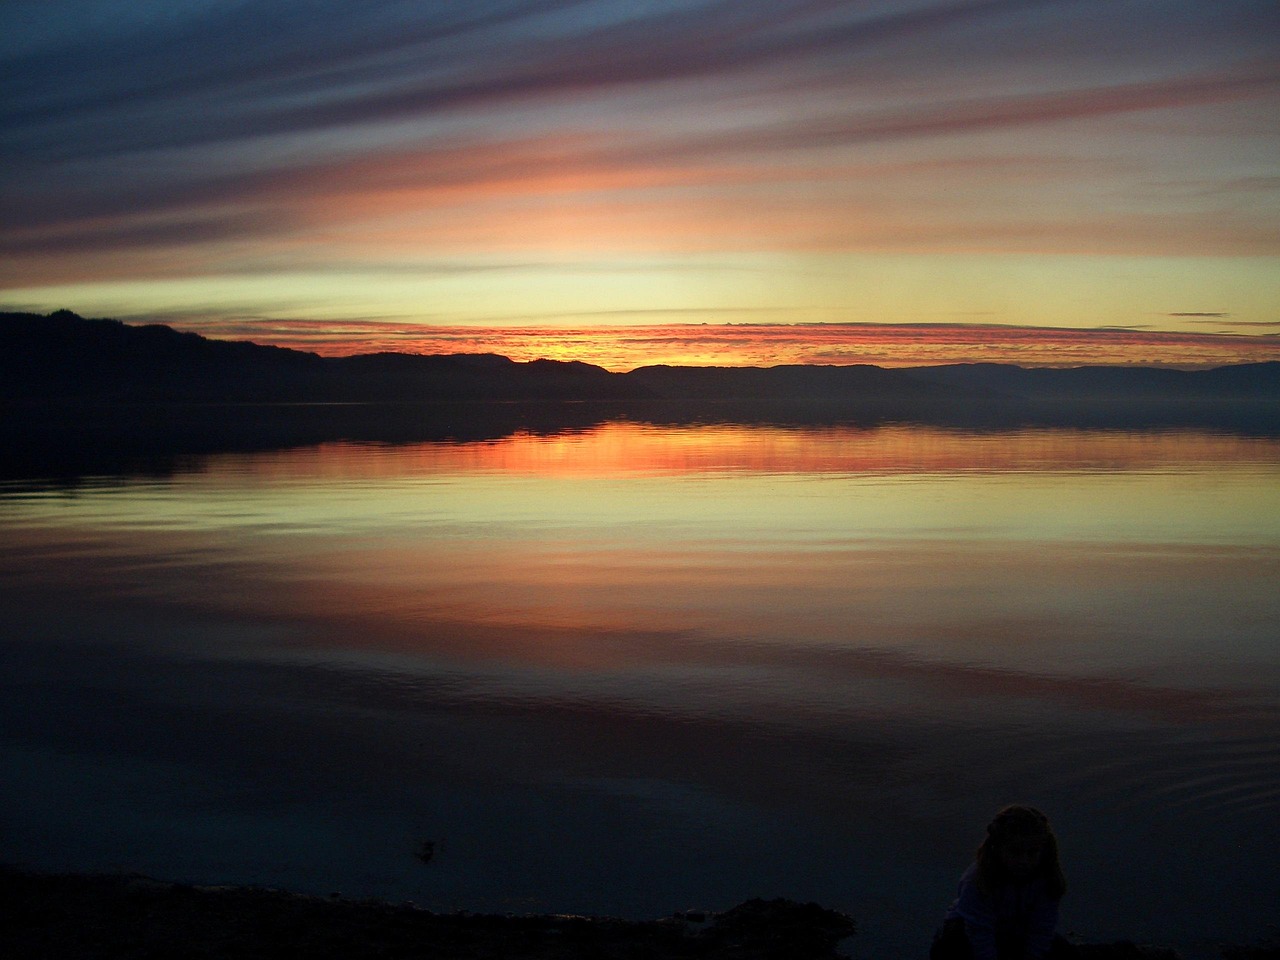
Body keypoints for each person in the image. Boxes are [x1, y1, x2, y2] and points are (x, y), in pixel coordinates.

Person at [930, 805, 1077, 960]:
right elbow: (979, 930)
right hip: (969, 932)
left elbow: (1042, 927)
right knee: (948, 946)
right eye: (1015, 852)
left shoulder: (1047, 878)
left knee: (1065, 952)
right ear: (998, 848)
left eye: (1032, 852)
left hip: (1016, 932)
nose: (1024, 861)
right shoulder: (977, 879)